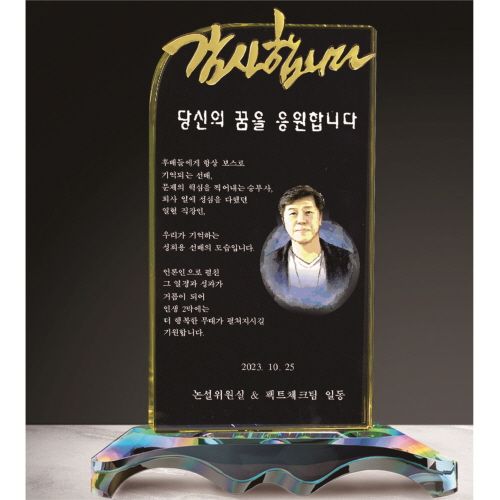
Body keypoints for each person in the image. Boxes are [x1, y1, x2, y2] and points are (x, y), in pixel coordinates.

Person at [261, 185, 359, 314]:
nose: (301, 220)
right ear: (283, 220)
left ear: (320, 218)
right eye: (293, 213)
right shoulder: (269, 264)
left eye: (308, 212)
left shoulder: (347, 261)